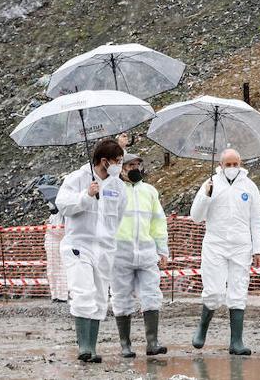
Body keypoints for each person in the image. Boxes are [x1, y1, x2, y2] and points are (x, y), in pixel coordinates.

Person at [56, 137, 128, 363]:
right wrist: (86, 196)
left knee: (99, 296)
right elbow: (62, 205)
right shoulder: (77, 178)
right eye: (117, 161)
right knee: (83, 292)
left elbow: (118, 216)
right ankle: (84, 347)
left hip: (104, 249)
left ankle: (93, 348)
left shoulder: (118, 186)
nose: (120, 165)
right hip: (79, 245)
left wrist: (109, 241)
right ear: (104, 161)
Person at [189, 148, 260, 356]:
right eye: (228, 164)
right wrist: (206, 196)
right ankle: (202, 329)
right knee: (214, 291)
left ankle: (236, 341)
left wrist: (259, 249)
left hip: (241, 247)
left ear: (240, 164)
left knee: (238, 291)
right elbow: (196, 217)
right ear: (220, 165)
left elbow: (257, 219)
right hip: (215, 245)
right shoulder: (210, 184)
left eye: (235, 164)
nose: (232, 168)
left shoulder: (249, 186)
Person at [111, 151, 169, 358]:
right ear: (121, 169)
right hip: (120, 253)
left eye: (137, 165)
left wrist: (162, 250)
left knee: (151, 295)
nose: (135, 169)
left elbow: (158, 222)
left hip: (146, 253)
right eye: (130, 165)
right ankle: (125, 345)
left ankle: (152, 343)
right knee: (121, 297)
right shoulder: (114, 190)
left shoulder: (150, 191)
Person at [44, 208, 68, 302]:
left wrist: (48, 226)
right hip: (51, 245)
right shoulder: (53, 215)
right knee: (51, 271)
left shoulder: (63, 214)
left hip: (57, 244)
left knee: (60, 270)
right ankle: (54, 295)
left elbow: (60, 230)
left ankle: (62, 296)